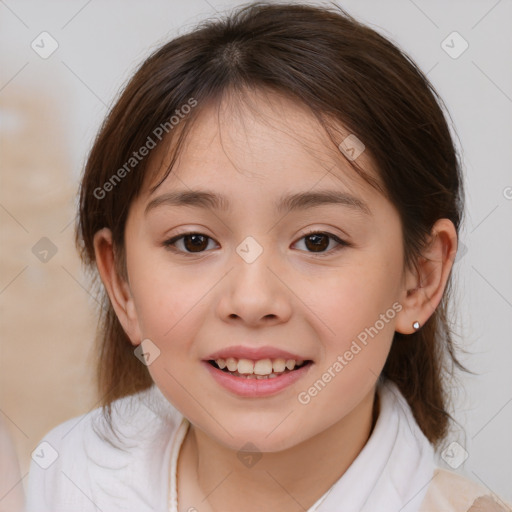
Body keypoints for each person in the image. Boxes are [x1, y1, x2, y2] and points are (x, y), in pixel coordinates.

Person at [24, 2, 511, 511]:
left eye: (318, 241)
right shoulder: (63, 478)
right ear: (121, 283)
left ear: (421, 278)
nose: (252, 300)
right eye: (194, 241)